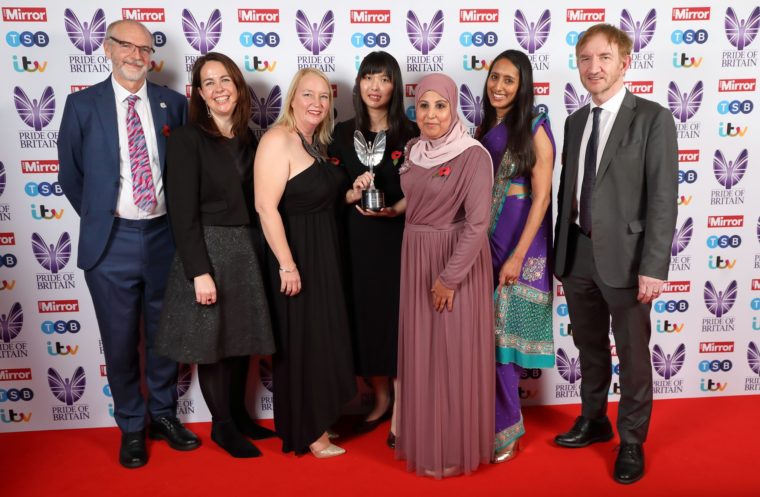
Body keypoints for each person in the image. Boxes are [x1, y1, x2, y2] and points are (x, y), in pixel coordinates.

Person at [57, 20, 199, 468]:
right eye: (127, 45)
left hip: (164, 237)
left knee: (164, 336)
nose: (137, 54)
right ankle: (132, 425)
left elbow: (183, 173)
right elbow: (70, 175)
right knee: (120, 343)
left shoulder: (173, 104)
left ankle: (163, 414)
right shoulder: (81, 105)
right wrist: (103, 219)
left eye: (145, 47)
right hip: (111, 241)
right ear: (107, 48)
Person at [553, 24, 678, 484]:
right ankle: (594, 418)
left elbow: (664, 198)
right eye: (586, 58)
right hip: (577, 253)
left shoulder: (652, 118)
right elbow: (570, 190)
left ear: (625, 62)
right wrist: (559, 255)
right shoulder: (573, 121)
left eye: (604, 57)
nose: (594, 67)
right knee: (588, 346)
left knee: (632, 352)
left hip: (628, 260)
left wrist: (653, 266)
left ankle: (631, 440)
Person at [154, 52, 276, 458]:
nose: (219, 89)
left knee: (242, 337)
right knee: (213, 343)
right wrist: (199, 272)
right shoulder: (188, 139)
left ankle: (239, 417)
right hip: (209, 248)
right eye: (209, 83)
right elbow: (182, 213)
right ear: (201, 94)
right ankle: (222, 427)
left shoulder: (249, 137)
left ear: (238, 86)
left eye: (225, 80)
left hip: (246, 248)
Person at [395, 74, 495, 478]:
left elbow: (477, 224)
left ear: (454, 108)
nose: (432, 114)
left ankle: (454, 447)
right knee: (423, 355)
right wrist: (394, 210)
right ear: (414, 110)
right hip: (415, 256)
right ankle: (428, 444)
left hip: (455, 262)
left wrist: (448, 279)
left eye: (441, 105)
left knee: (453, 355)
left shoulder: (473, 155)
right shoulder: (414, 149)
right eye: (424, 105)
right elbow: (417, 199)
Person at [254, 68, 356, 458]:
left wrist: (350, 193)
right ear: (292, 99)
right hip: (295, 255)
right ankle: (309, 432)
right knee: (302, 342)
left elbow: (318, 196)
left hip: (323, 253)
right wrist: (287, 264)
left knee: (321, 339)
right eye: (308, 94)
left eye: (324, 97)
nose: (316, 103)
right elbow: (265, 206)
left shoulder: (315, 142)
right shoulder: (278, 139)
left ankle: (319, 417)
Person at [327, 51, 418, 442]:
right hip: (355, 243)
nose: (375, 87)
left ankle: (401, 407)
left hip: (397, 242)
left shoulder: (411, 133)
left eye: (383, 79)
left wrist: (397, 207)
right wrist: (350, 193)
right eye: (368, 78)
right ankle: (379, 397)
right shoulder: (341, 132)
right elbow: (328, 189)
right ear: (359, 84)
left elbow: (429, 189)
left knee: (396, 325)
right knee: (364, 322)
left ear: (395, 85)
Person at [476, 49, 555, 463]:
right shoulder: (486, 125)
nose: (499, 86)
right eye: (494, 78)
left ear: (522, 85)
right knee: (484, 338)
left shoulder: (535, 126)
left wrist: (517, 257)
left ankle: (507, 429)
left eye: (508, 80)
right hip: (485, 240)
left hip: (518, 242)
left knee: (501, 341)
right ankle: (489, 421)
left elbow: (541, 198)